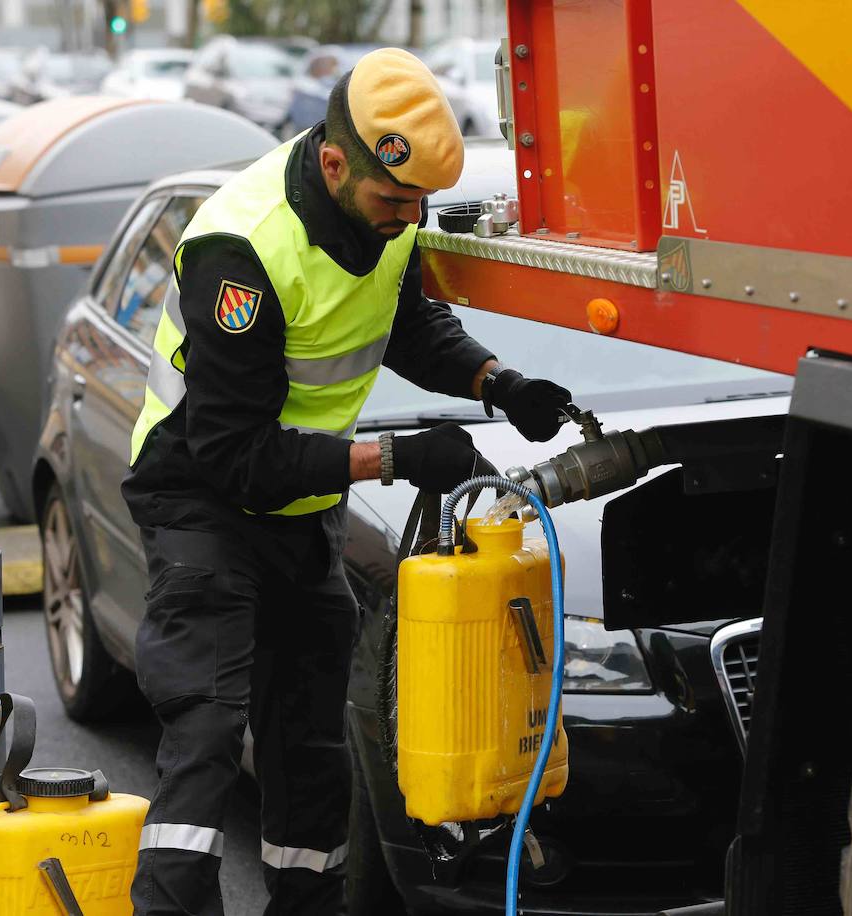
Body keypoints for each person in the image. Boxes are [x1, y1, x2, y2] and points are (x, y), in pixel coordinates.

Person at [122, 47, 572, 916]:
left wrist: (497, 383)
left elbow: (406, 322)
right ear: (335, 164)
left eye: (419, 206)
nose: (407, 221)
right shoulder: (241, 248)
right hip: (202, 502)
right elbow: (237, 457)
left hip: (300, 510)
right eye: (392, 202)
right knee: (208, 724)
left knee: (311, 736)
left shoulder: (386, 223)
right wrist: (396, 459)